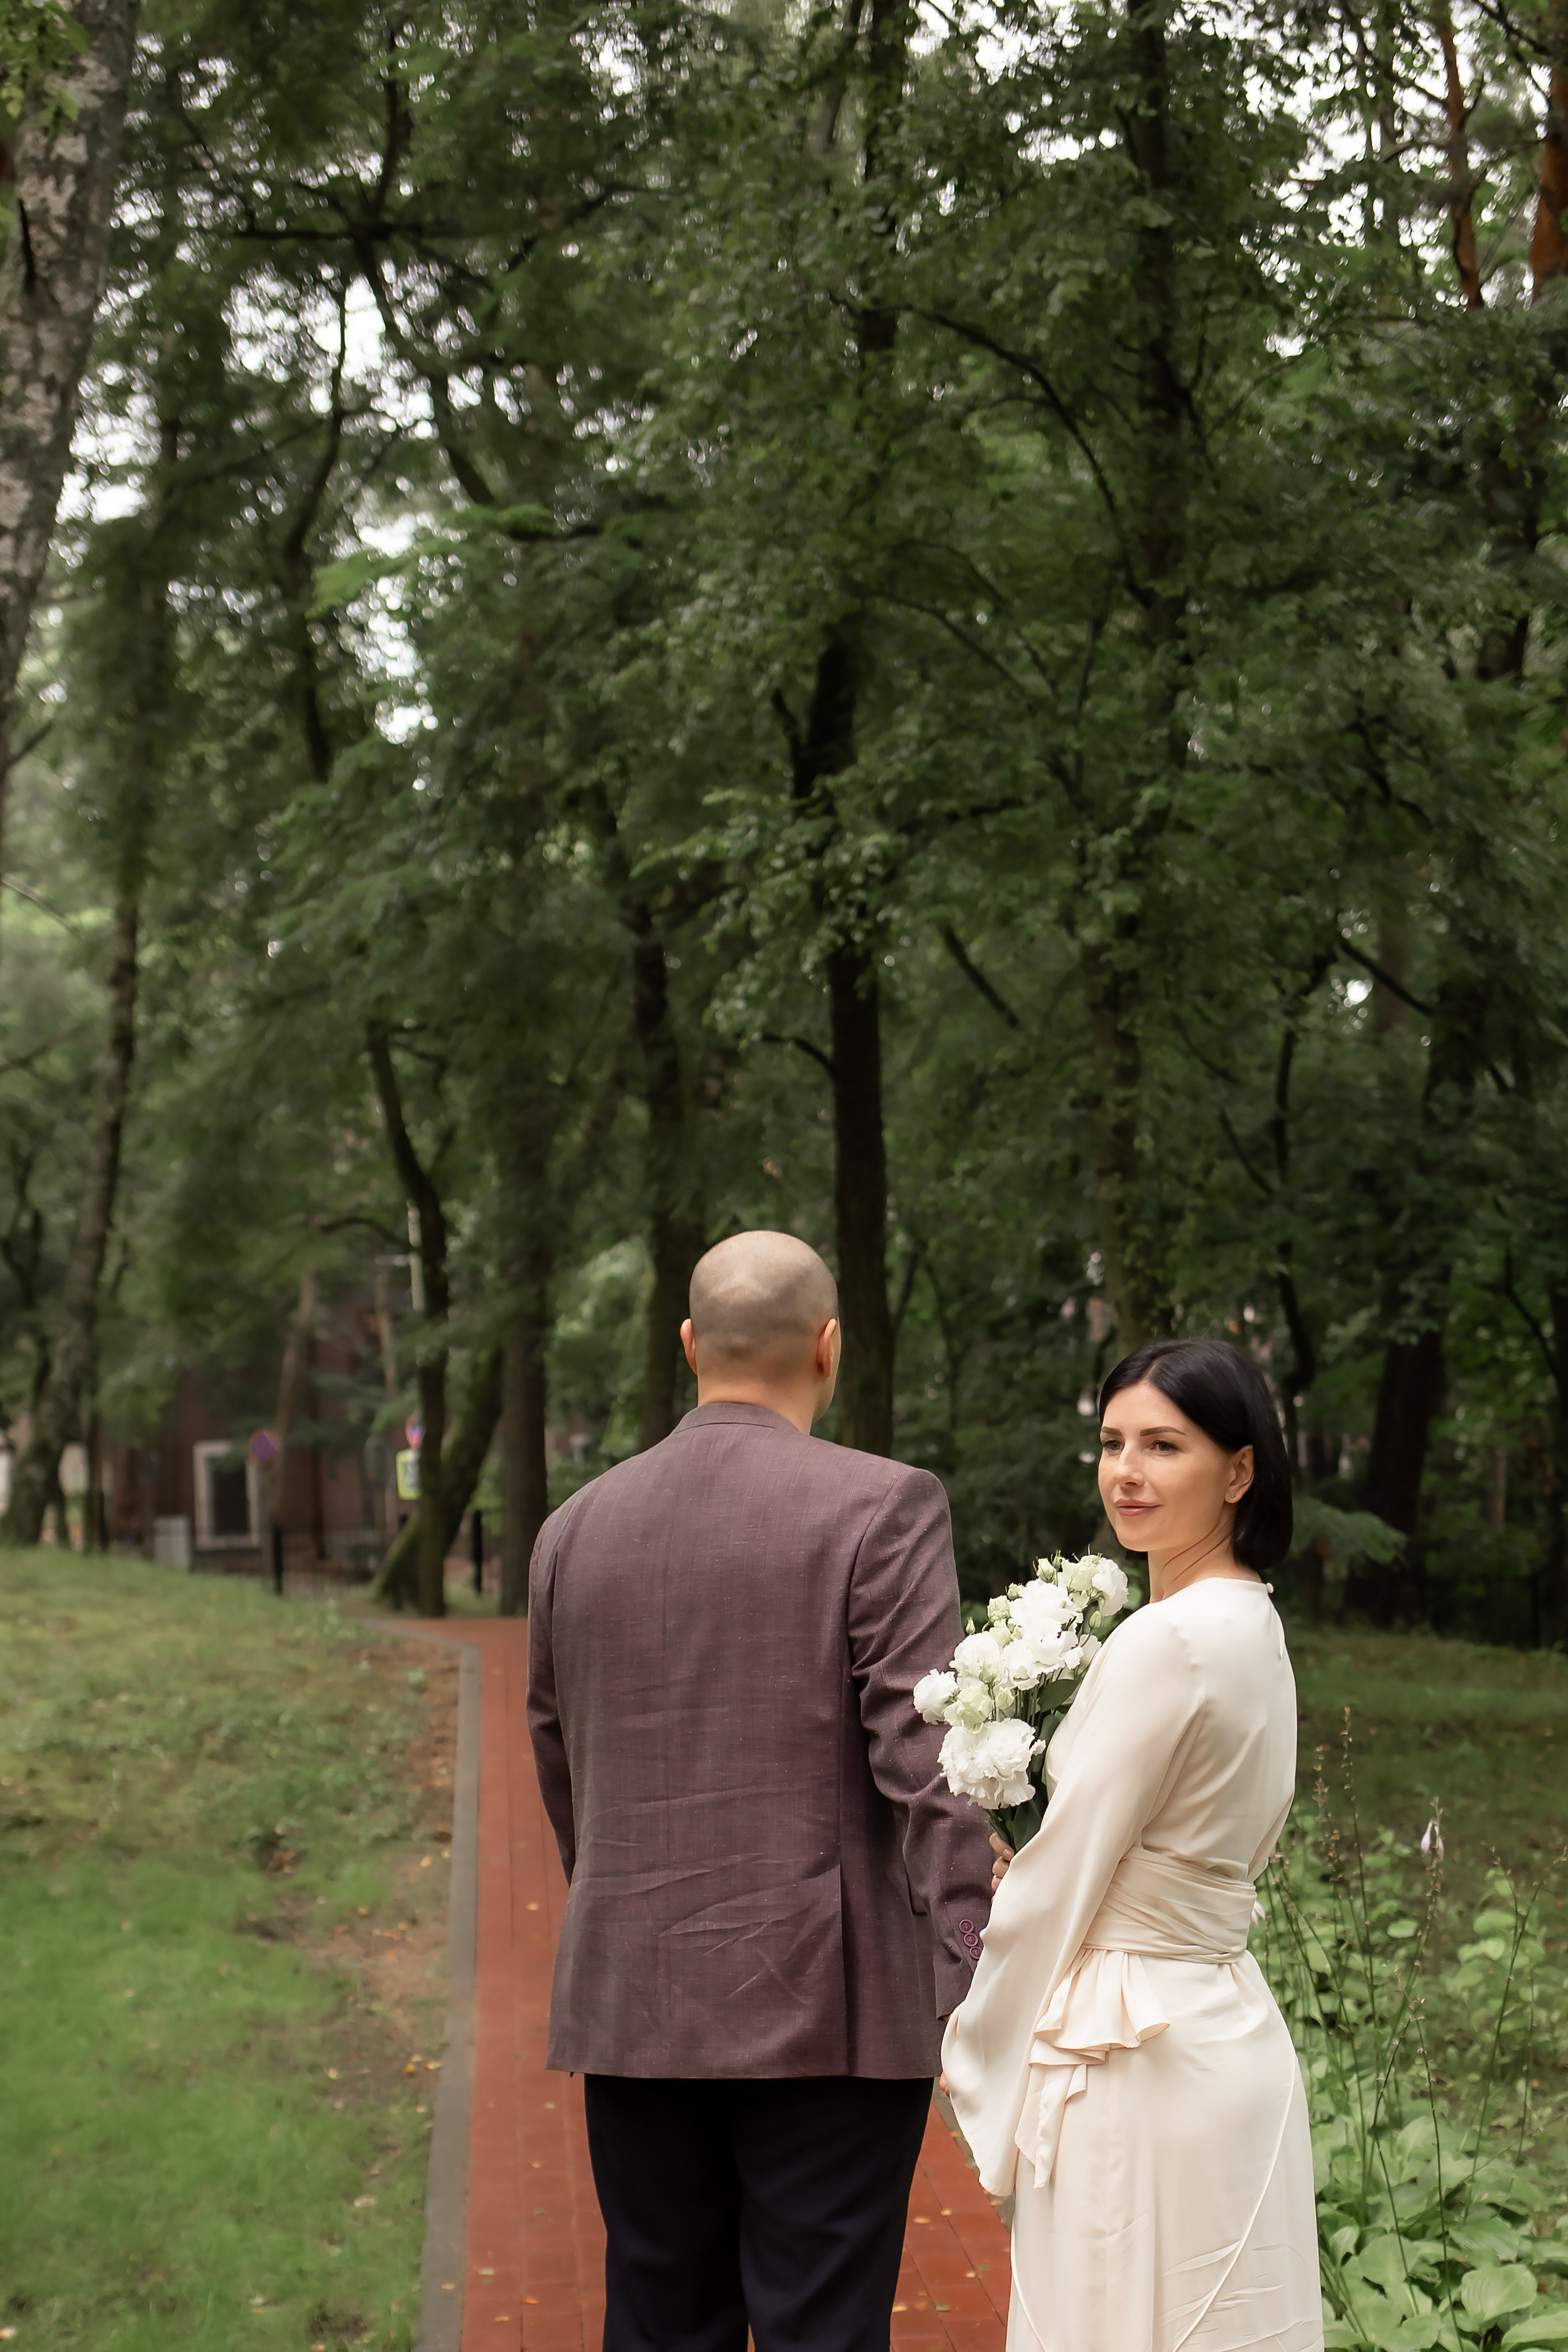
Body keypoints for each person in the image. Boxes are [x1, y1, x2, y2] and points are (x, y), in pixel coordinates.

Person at [526, 1229, 994, 2352]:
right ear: (829, 1347)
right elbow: (922, 1750)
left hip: (632, 1998)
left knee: (657, 2320)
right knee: (820, 2331)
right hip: (824, 2018)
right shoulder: (883, 1507)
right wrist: (978, 1957)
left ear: (689, 1345)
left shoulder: (570, 1531)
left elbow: (560, 1762)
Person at [942, 1337, 1322, 2352]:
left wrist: (976, 2043)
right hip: (1225, 2022)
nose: (1127, 1471)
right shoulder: (1252, 1622)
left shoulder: (1166, 1639)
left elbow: (1063, 1881)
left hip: (1132, 2043)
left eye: (1165, 1445)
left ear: (1239, 1470)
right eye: (1112, 1442)